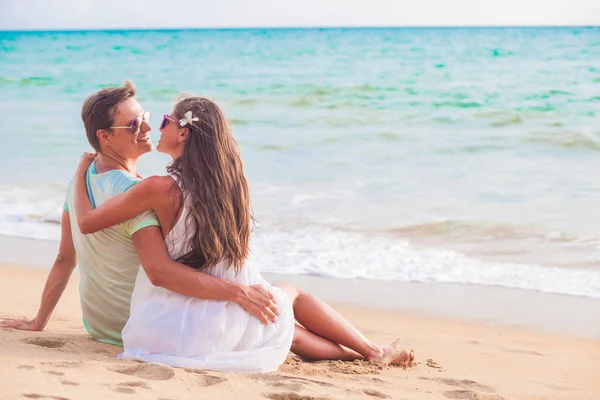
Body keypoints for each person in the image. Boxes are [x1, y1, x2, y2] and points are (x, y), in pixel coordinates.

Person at [71, 93, 415, 372]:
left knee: (279, 317)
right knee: (285, 300)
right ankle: (370, 350)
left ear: (184, 133)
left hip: (164, 327)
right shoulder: (230, 186)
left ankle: (368, 352)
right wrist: (240, 293)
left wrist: (81, 173)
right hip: (201, 313)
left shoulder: (158, 188)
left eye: (164, 121)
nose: (155, 126)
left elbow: (87, 223)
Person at [0, 82, 279, 346]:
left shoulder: (78, 185)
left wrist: (40, 320)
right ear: (105, 136)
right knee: (276, 309)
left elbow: (64, 257)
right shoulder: (140, 194)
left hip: (97, 325)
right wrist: (237, 292)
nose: (146, 126)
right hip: (140, 322)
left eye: (144, 116)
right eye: (134, 123)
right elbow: (161, 271)